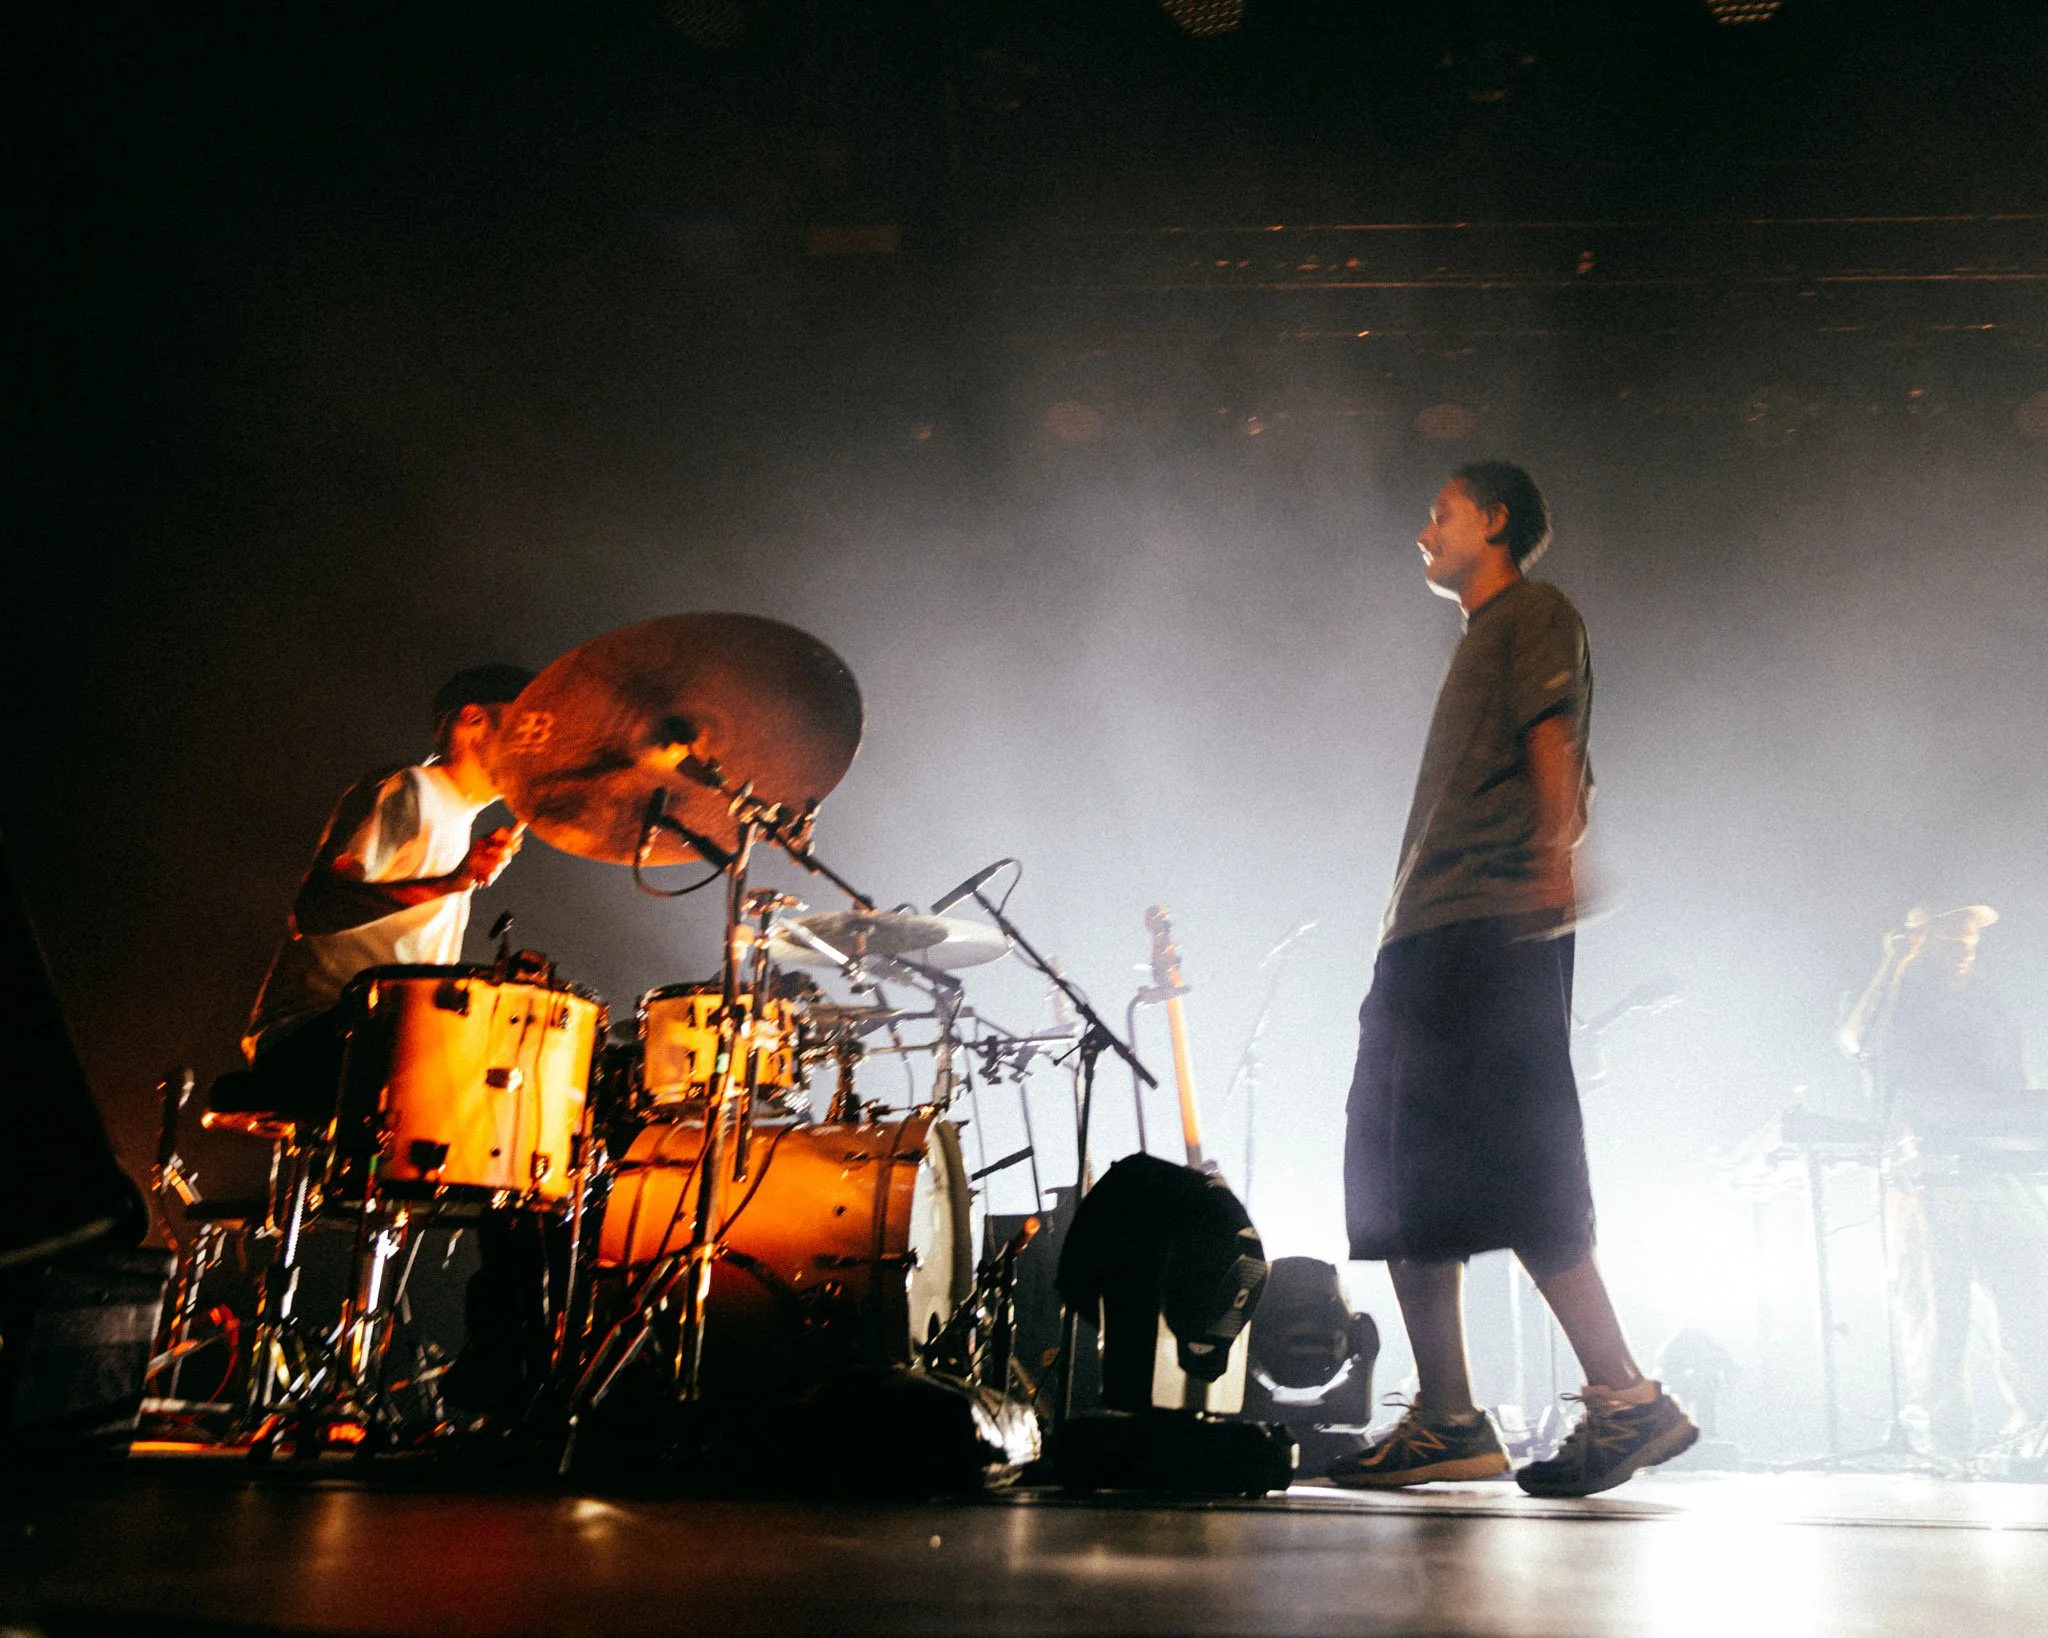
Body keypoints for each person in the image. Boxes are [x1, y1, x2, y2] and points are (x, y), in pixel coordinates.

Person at [1330, 461, 1698, 1496]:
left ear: (1492, 521)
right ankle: (1448, 1415)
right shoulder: (1483, 636)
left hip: (1482, 924)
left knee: (1515, 1159)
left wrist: (1552, 852)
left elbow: (1554, 737)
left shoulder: (1533, 613)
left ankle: (1624, 1398)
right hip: (1428, 929)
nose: (1421, 532)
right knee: (1399, 1170)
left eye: (1437, 512)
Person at [239, 664, 532, 1116]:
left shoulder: (460, 819)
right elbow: (313, 910)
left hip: (383, 1034)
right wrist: (451, 882)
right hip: (314, 1031)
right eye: (525, 723)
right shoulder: (408, 788)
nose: (537, 744)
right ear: (472, 719)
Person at [1839, 903, 2048, 1458]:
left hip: (1999, 1170)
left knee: (2027, 1301)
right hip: (1923, 1175)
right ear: (1921, 940)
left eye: (1972, 942)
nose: (1965, 950)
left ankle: (2032, 1434)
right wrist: (1894, 966)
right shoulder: (1897, 996)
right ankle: (1948, 1441)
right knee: (1936, 1309)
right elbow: (1857, 1040)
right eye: (1954, 940)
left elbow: (2014, 1089)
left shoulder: (1987, 1001)